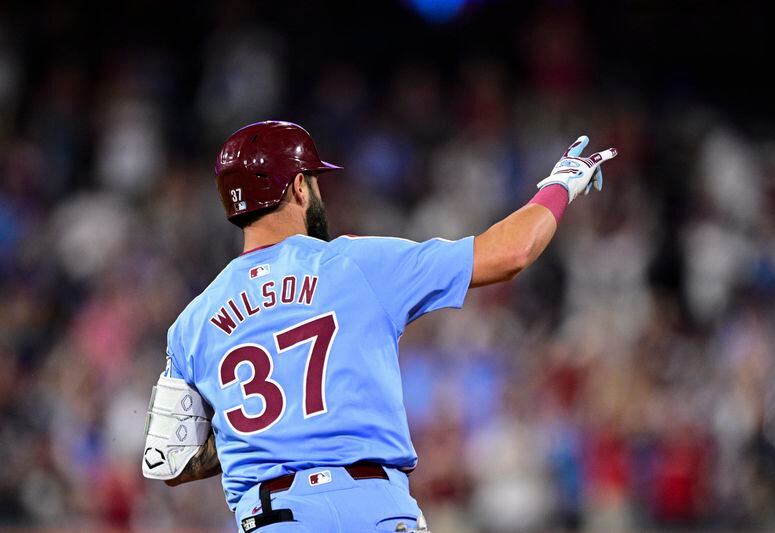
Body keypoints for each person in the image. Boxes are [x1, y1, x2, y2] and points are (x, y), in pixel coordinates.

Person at [141, 121, 616, 532]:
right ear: (298, 188)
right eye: (314, 181)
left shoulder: (192, 323)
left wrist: (271, 435)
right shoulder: (356, 263)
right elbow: (509, 254)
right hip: (374, 508)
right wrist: (561, 184)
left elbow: (171, 462)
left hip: (271, 516)